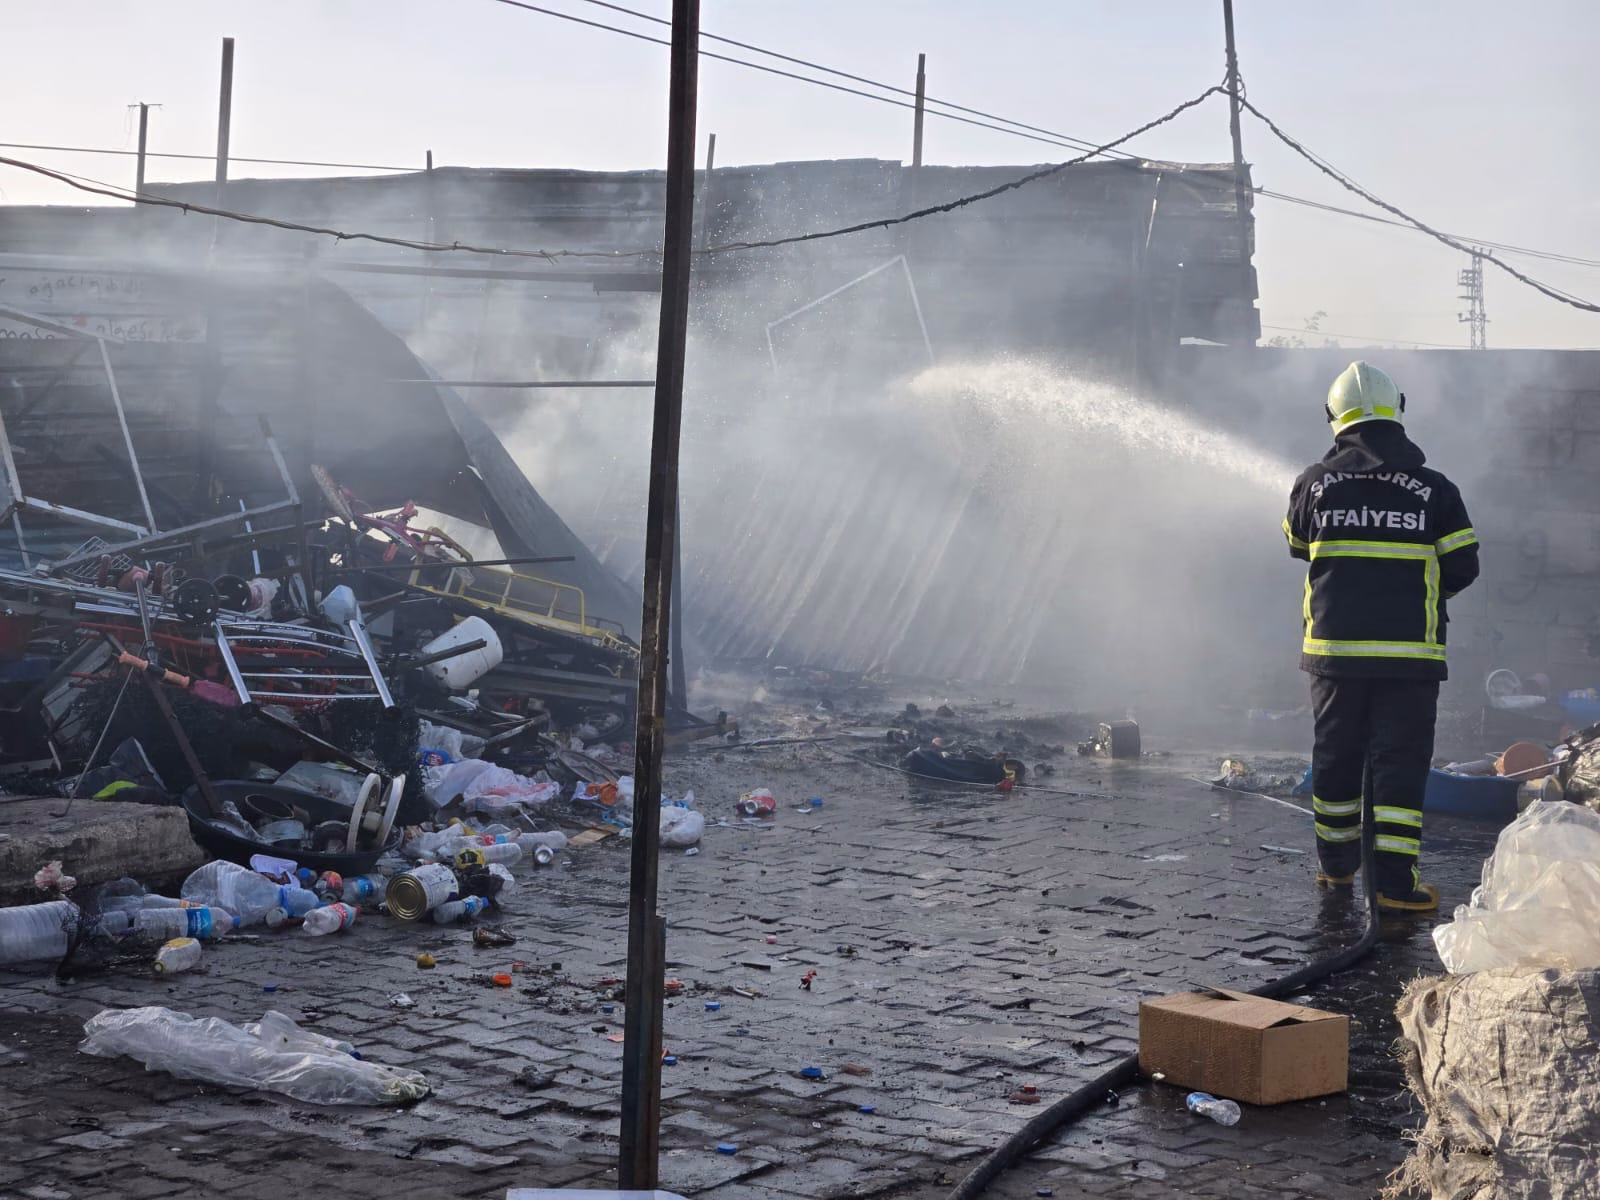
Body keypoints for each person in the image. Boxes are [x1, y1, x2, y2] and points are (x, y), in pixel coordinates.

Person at [1282, 362, 1479, 912]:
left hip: (1334, 657)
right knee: (1399, 764)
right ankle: (1395, 887)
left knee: (1336, 758)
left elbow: (1298, 546)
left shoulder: (1313, 484)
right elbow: (1463, 567)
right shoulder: (1435, 491)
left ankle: (1337, 871)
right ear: (1400, 412)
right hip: (1409, 659)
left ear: (1333, 419)